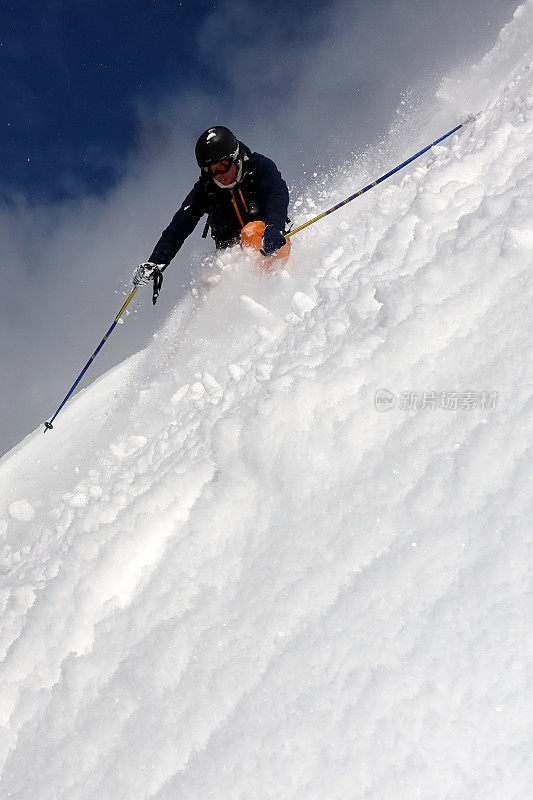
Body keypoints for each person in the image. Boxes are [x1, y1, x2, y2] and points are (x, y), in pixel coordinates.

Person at [133, 126, 291, 288]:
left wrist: (274, 227)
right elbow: (177, 229)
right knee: (209, 282)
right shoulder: (206, 189)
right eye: (210, 170)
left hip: (271, 241)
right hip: (233, 255)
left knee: (250, 232)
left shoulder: (258, 166)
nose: (219, 174)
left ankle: (267, 289)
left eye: (223, 165)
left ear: (235, 157)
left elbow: (277, 193)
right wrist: (155, 263)